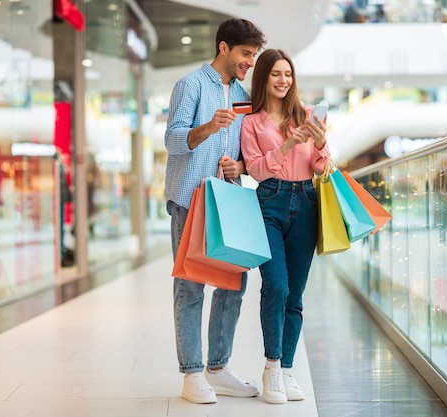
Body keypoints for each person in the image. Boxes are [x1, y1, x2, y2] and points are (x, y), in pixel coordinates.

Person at [164, 18, 266, 404]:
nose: (250, 62)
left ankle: (218, 369)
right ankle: (191, 374)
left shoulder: (243, 94)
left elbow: (244, 151)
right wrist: (207, 128)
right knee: (190, 287)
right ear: (223, 47)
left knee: (233, 285)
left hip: (228, 201)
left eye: (254, 55)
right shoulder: (190, 85)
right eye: (245, 53)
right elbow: (173, 139)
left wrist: (237, 165)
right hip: (189, 198)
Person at [240, 48, 330, 404]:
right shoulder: (251, 122)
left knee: (295, 294)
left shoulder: (307, 115)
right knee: (275, 286)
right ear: (264, 78)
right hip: (269, 204)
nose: (283, 81)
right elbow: (257, 170)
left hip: (306, 202)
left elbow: (322, 166)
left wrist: (320, 141)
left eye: (288, 74)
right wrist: (291, 142)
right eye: (276, 74)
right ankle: (272, 367)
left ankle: (288, 369)